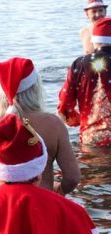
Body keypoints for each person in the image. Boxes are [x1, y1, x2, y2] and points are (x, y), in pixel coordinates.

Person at [0, 57, 80, 198]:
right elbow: (72, 177)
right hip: (40, 205)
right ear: (35, 88)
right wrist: (59, 193)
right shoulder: (53, 124)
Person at [60, 17, 111, 148]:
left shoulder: (79, 64)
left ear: (94, 41)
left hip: (91, 138)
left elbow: (65, 106)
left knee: (91, 166)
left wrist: (77, 120)